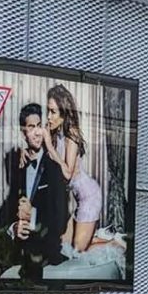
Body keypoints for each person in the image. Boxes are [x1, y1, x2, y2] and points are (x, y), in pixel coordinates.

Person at [0, 103, 69, 280]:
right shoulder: (20, 168)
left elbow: (60, 220)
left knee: (31, 251)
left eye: (40, 126)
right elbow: (11, 214)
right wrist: (14, 228)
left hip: (43, 245)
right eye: (31, 127)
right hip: (20, 243)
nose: (38, 132)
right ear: (23, 132)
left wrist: (32, 216)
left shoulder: (54, 169)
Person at [43, 84, 102, 252]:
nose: (48, 117)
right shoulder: (57, 133)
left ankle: (119, 245)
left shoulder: (72, 133)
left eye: (53, 112)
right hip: (76, 198)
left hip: (89, 196)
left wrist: (48, 145)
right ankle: (94, 238)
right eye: (48, 110)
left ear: (64, 112)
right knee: (64, 246)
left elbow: (67, 173)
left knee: (77, 250)